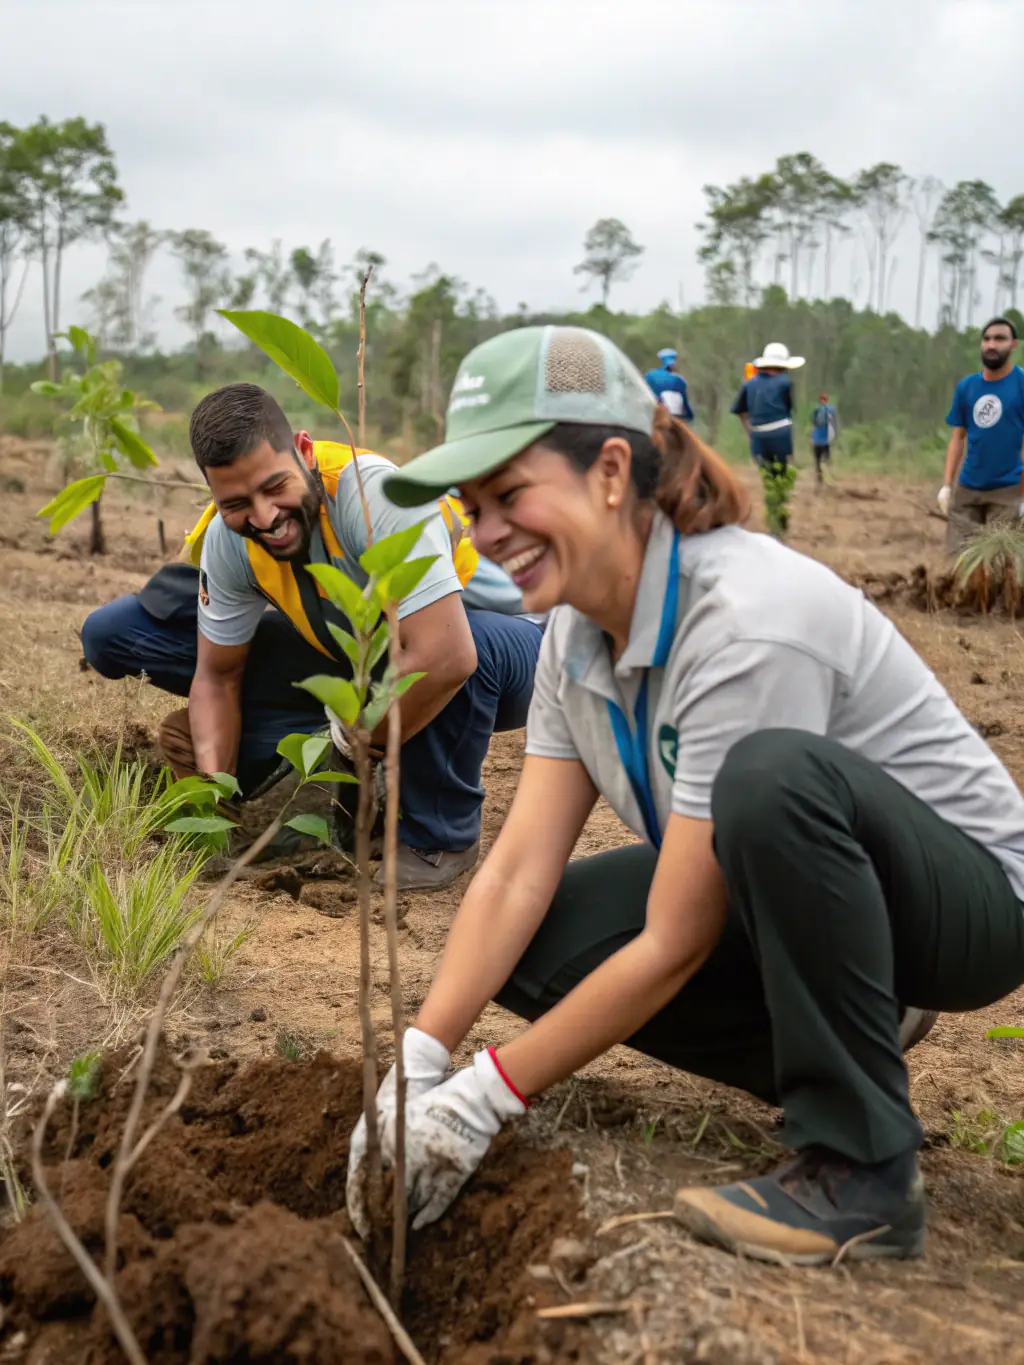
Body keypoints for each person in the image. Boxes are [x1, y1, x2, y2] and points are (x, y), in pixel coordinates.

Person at [345, 324, 1024, 1265]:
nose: (485, 530)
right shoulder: (575, 640)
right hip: (808, 891)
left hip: (969, 903)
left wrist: (488, 1094)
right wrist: (422, 1061)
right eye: (469, 505)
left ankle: (863, 1171)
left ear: (612, 470)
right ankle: (845, 1029)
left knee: (770, 776)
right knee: (529, 943)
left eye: (509, 493)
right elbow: (513, 874)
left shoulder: (745, 620)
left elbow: (676, 939)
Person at [80, 383, 542, 891]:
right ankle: (297, 747)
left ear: (303, 451)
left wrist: (355, 746)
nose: (264, 517)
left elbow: (449, 655)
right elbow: (217, 676)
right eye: (236, 503)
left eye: (275, 487)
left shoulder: (371, 497)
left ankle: (437, 836)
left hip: (509, 647)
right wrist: (214, 800)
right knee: (128, 633)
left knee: (451, 651)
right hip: (362, 649)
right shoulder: (229, 538)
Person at [939, 317, 1024, 555]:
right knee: (956, 562)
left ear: (1014, 344)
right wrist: (947, 485)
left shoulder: (1021, 384)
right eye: (986, 339)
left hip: (1008, 491)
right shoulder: (967, 387)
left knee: (1000, 568)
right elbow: (957, 438)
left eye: (1000, 339)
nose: (991, 345)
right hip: (968, 489)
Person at [730, 342, 805, 469]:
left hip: (759, 436)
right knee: (782, 472)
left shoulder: (749, 384)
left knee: (767, 473)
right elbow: (788, 410)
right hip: (780, 434)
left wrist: (751, 433)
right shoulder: (785, 382)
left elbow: (741, 412)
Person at [644, 348, 694, 422]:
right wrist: (690, 415)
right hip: (677, 418)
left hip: (656, 415)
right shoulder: (680, 381)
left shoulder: (650, 375)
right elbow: (686, 407)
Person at [809, 391, 838, 484]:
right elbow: (833, 425)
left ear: (820, 400)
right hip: (826, 440)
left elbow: (813, 425)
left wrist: (811, 438)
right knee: (826, 459)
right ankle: (829, 478)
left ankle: (819, 478)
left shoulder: (816, 410)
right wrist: (833, 436)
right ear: (827, 400)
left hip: (817, 439)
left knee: (817, 460)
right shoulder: (831, 409)